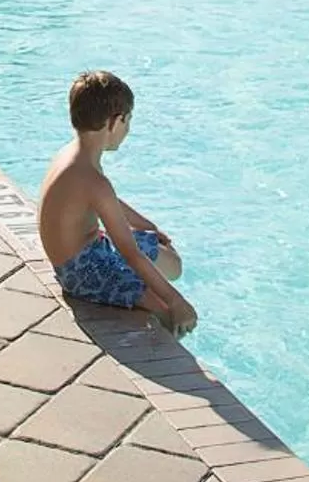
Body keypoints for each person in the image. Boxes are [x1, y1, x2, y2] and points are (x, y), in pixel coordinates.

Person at [38, 71, 194, 333]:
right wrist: (177, 301)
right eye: (128, 121)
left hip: (81, 256)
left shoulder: (72, 156)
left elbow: (105, 202)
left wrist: (148, 226)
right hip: (83, 273)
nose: (128, 130)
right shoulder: (93, 180)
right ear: (114, 122)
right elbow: (129, 252)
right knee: (170, 316)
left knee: (170, 259)